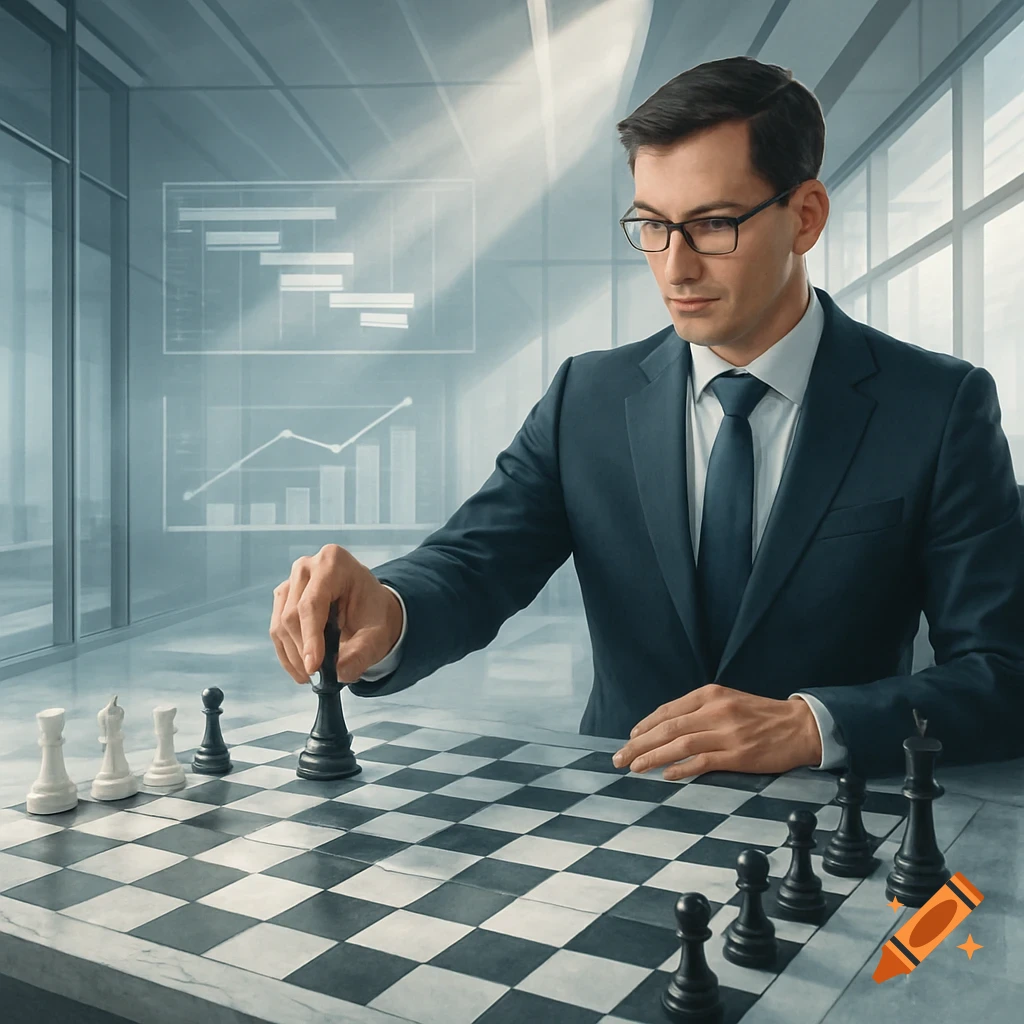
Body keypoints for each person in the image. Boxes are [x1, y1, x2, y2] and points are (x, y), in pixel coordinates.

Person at [270, 55, 1024, 782]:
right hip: (619, 815)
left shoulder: (936, 408)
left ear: (806, 216)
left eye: (714, 224)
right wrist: (387, 607)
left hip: (835, 834)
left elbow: (1002, 675)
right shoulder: (586, 399)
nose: (675, 266)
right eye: (652, 226)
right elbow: (473, 567)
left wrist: (809, 725)